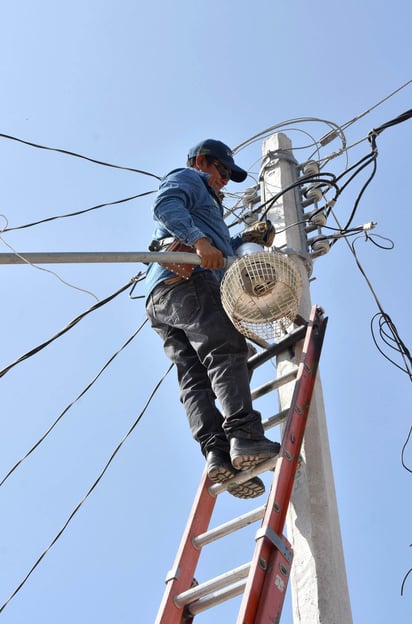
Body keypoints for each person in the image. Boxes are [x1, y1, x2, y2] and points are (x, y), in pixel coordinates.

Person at [145, 139, 280, 499]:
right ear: (203, 161)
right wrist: (199, 240)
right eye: (222, 171)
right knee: (226, 349)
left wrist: (241, 239)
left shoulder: (210, 210)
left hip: (162, 297)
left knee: (195, 376)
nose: (223, 181)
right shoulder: (189, 179)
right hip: (188, 281)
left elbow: (218, 245)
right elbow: (165, 205)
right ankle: (245, 437)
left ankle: (218, 454)